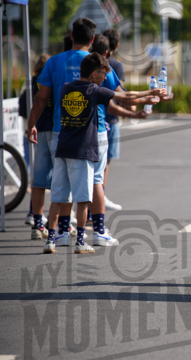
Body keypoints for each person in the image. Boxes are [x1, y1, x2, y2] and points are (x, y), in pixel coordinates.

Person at [28, 17, 162, 248]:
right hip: (92, 134)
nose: (103, 74)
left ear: (71, 36)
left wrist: (31, 124)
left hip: (61, 135)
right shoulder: (96, 68)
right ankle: (95, 232)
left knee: (60, 190)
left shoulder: (56, 66)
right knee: (92, 185)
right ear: (92, 40)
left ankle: (57, 234)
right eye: (102, 73)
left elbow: (41, 98)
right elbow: (122, 94)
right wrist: (150, 97)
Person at [45, 53, 151, 254]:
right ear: (94, 74)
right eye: (103, 74)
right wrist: (152, 92)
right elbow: (126, 96)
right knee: (84, 199)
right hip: (82, 150)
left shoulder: (67, 87)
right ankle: (79, 243)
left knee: (58, 197)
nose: (105, 78)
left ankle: (51, 240)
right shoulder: (94, 91)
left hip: (62, 149)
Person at [20, 53, 53, 237]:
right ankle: (59, 223)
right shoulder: (54, 78)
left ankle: (36, 219)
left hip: (38, 128)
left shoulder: (33, 81)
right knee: (60, 178)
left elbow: (31, 102)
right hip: (54, 128)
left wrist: (30, 124)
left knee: (38, 178)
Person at [102, 27, 125, 211]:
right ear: (116, 45)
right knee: (104, 163)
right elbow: (120, 95)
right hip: (107, 121)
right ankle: (99, 199)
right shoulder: (113, 66)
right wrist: (134, 110)